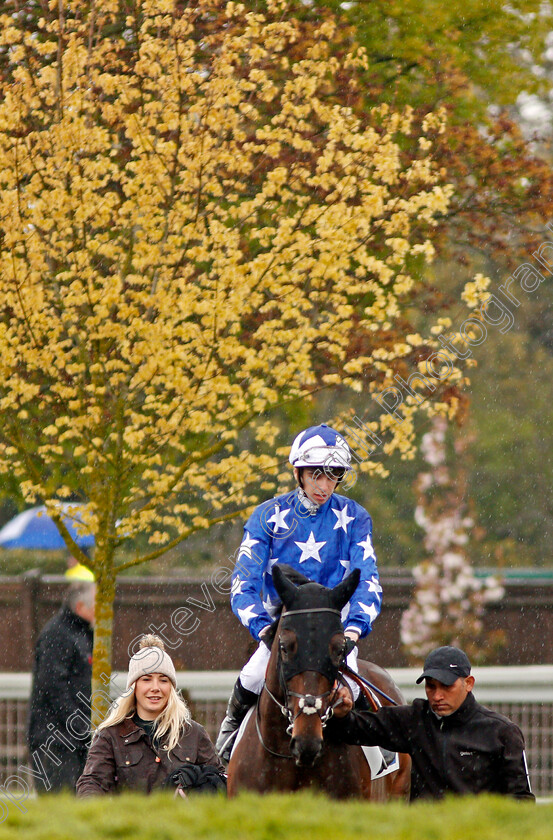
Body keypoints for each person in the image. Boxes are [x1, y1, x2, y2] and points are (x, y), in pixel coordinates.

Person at [215, 423, 382, 761]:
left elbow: (369, 579)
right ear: (298, 473)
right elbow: (242, 583)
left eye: (333, 475)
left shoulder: (355, 517)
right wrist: (262, 626)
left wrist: (354, 628)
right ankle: (224, 749)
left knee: (355, 690)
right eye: (316, 475)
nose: (324, 485)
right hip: (283, 627)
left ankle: (383, 759)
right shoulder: (267, 515)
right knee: (250, 678)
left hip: (334, 628)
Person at [330, 645, 535, 801]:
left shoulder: (503, 732)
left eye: (446, 686)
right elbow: (353, 729)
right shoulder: (415, 719)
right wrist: (341, 713)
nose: (437, 696)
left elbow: (521, 800)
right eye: (431, 686)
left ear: (469, 683)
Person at [76, 635, 225, 796]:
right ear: (134, 686)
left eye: (163, 680)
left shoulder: (194, 733)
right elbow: (91, 783)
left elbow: (221, 783)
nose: (155, 687)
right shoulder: (109, 736)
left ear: (171, 687)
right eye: (146, 679)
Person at [27, 581, 95, 791]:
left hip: (74, 740)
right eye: (97, 606)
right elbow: (51, 686)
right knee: (60, 806)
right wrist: (81, 725)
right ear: (80, 607)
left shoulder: (81, 634)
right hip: (54, 742)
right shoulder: (58, 634)